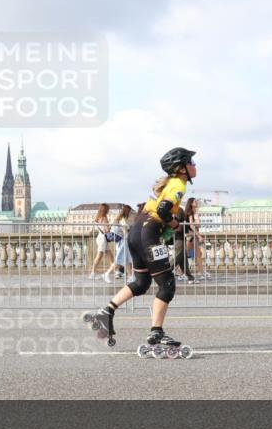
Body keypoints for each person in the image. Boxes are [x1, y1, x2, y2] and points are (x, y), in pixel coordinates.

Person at [84, 147, 197, 355]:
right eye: (192, 163)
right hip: (150, 234)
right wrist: (173, 224)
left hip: (137, 232)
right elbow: (163, 210)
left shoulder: (169, 184)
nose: (194, 166)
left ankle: (106, 312)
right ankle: (156, 332)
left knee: (141, 282)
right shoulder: (178, 184)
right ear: (181, 168)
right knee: (167, 284)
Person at [103, 204, 133, 283]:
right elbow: (125, 232)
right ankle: (107, 273)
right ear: (127, 211)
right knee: (119, 260)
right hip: (123, 241)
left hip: (121, 241)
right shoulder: (122, 220)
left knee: (126, 259)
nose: (130, 213)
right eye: (130, 212)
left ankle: (130, 277)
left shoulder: (118, 219)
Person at [174, 197, 197, 284]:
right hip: (179, 236)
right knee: (179, 257)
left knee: (183, 257)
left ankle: (190, 277)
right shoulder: (178, 210)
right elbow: (181, 223)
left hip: (181, 236)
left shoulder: (177, 209)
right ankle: (165, 271)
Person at [87, 203, 114, 279]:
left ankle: (115, 270)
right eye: (108, 209)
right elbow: (107, 230)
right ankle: (92, 273)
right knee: (99, 256)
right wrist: (110, 226)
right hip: (103, 238)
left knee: (110, 255)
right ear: (105, 210)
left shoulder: (98, 218)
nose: (108, 211)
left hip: (100, 237)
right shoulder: (104, 218)